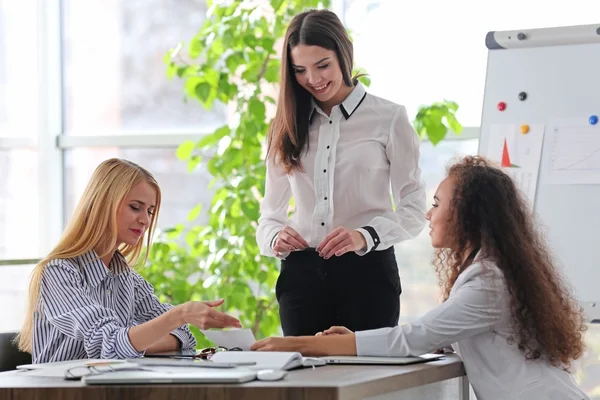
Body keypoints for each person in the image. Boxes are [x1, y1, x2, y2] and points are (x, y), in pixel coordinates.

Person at [252, 155, 589, 400]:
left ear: (466, 213)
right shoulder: (485, 271)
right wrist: (353, 341)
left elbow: (416, 338)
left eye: (437, 204)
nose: (429, 213)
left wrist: (296, 344)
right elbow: (435, 336)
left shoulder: (488, 281)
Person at [256, 9, 427, 337]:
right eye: (300, 70)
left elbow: (414, 208)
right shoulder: (285, 126)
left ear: (344, 53)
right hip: (300, 277)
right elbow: (269, 216)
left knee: (365, 382)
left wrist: (365, 235)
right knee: (305, 382)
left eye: (322, 65)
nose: (313, 79)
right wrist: (275, 236)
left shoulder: (389, 118)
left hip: (367, 274)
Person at [17, 158, 242, 363]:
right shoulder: (58, 273)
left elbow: (183, 336)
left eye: (150, 211)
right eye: (135, 207)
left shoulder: (126, 278)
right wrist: (176, 316)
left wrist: (135, 342)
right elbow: (111, 344)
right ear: (103, 203)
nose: (144, 220)